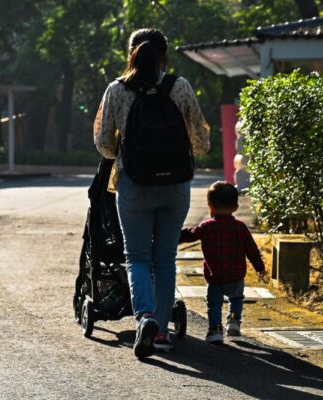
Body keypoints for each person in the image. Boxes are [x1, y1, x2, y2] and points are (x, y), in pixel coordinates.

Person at [94, 28, 210, 357]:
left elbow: (104, 145)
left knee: (138, 258)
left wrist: (126, 148)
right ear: (165, 55)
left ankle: (144, 316)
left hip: (134, 185)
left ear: (130, 54)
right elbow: (201, 142)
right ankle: (160, 332)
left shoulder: (116, 90)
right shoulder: (181, 86)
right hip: (175, 187)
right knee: (164, 259)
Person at [179, 181, 268, 344]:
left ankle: (216, 330)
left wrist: (171, 235)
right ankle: (234, 320)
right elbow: (252, 250)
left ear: (210, 206)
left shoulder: (206, 227)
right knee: (236, 298)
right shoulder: (241, 227)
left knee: (214, 303)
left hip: (215, 277)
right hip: (236, 275)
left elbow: (188, 234)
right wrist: (260, 268)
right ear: (235, 207)